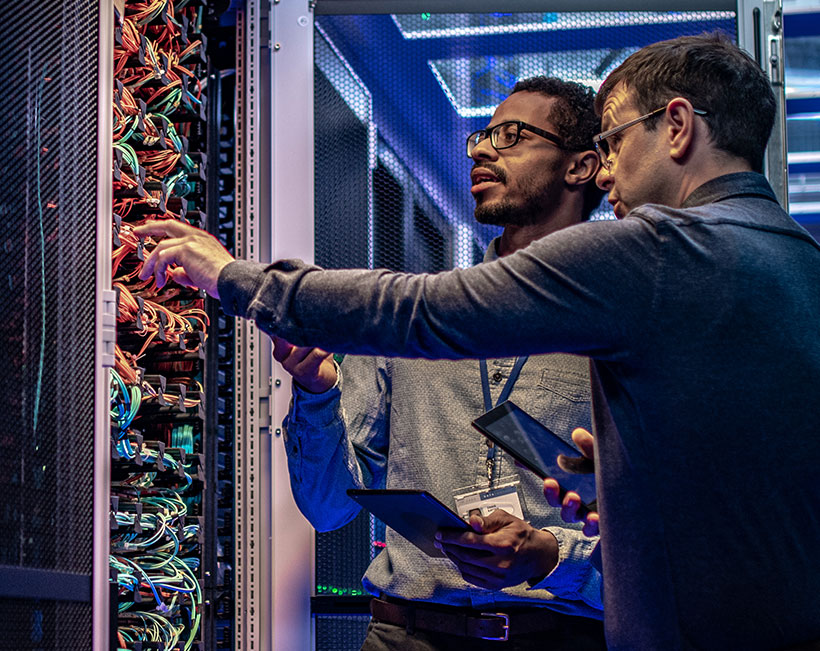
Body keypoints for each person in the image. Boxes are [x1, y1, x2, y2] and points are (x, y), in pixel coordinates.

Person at [136, 33, 820, 649]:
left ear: (675, 127)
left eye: (614, 145)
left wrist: (232, 277)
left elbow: (424, 314)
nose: (612, 173)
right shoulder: (796, 265)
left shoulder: (659, 254)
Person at [273, 77, 607, 650]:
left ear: (580, 167)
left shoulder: (618, 324)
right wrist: (316, 390)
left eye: (511, 135)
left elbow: (664, 536)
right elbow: (327, 508)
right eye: (482, 135)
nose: (480, 149)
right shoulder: (414, 316)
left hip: (560, 636)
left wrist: (554, 556)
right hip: (407, 634)